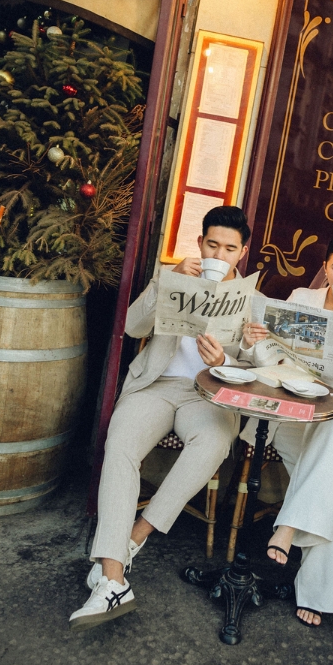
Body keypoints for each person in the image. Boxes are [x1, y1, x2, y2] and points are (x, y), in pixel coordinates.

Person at [69, 206, 260, 631]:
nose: (220, 254)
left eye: (230, 248)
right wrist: (166, 281)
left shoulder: (252, 299)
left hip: (209, 396)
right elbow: (134, 328)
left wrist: (227, 357)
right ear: (200, 243)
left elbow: (254, 369)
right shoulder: (171, 275)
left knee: (212, 444)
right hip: (157, 385)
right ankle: (115, 578)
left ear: (242, 252)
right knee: (119, 445)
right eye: (213, 244)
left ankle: (133, 538)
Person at [244, 234, 333, 627]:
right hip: (294, 410)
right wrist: (254, 341)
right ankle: (316, 592)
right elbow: (272, 353)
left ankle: (287, 527)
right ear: (325, 269)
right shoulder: (300, 298)